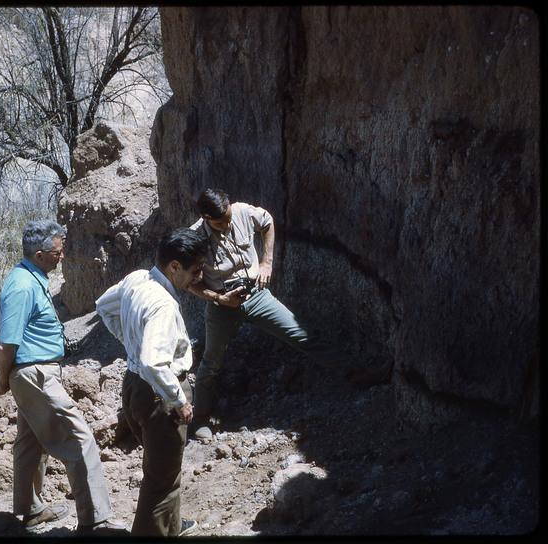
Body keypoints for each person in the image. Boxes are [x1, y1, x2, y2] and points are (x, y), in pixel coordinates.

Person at [187, 189, 393, 441]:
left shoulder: (241, 211)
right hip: (222, 305)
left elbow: (267, 221)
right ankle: (200, 418)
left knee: (302, 335)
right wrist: (219, 298)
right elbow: (189, 282)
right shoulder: (194, 238)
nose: (228, 224)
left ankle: (358, 375)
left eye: (228, 218)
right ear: (205, 218)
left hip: (257, 295)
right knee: (212, 361)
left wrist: (267, 261)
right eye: (220, 223)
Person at [0, 220, 124, 536]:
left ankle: (32, 509)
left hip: (34, 373)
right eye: (58, 253)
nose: (62, 258)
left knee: (30, 440)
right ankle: (96, 521)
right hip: (35, 375)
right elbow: (6, 342)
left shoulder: (31, 278)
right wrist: (4, 378)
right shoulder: (22, 285)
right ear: (39, 254)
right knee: (78, 439)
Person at [96, 228, 208, 537]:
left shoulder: (137, 278)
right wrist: (179, 400)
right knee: (161, 480)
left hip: (134, 385)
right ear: (175, 266)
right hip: (159, 394)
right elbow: (154, 362)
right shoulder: (163, 305)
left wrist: (131, 340)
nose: (197, 277)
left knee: (163, 468)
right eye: (194, 270)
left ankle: (170, 528)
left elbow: (104, 306)